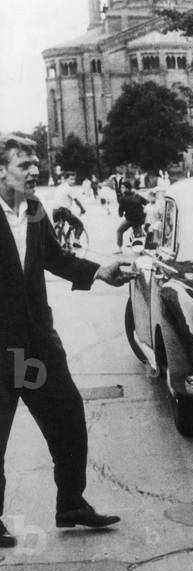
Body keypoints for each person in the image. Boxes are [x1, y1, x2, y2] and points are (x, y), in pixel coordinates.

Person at [0, 134, 131, 548]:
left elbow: (56, 259)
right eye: (24, 165)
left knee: (69, 418)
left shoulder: (36, 210)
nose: (34, 170)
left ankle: (71, 503)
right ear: (1, 171)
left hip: (38, 344)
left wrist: (99, 271)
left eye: (35, 163)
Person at [52, 172, 86, 247]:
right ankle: (76, 240)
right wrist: (82, 209)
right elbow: (76, 200)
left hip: (55, 211)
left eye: (74, 179)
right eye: (71, 179)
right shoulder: (69, 188)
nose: (73, 181)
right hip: (64, 211)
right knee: (79, 225)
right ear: (65, 179)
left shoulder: (59, 187)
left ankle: (63, 243)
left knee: (60, 227)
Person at [115, 184, 147, 253]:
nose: (121, 189)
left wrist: (122, 212)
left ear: (127, 189)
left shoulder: (123, 199)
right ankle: (141, 249)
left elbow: (120, 213)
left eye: (123, 187)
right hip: (139, 219)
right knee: (138, 235)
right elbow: (146, 203)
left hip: (129, 220)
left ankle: (119, 249)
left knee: (119, 231)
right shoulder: (137, 196)